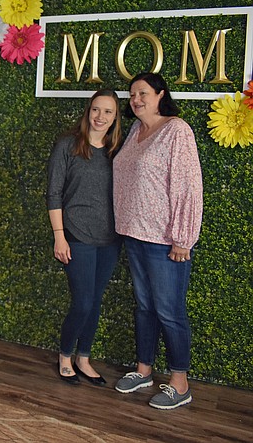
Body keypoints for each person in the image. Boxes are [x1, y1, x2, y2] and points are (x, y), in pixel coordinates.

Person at [112, 72, 202, 410]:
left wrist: (183, 238)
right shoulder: (136, 130)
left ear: (160, 94)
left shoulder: (177, 130)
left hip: (165, 241)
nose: (136, 99)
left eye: (143, 93)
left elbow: (188, 186)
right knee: (145, 308)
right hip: (134, 235)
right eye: (133, 94)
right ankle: (144, 371)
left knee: (169, 311)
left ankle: (180, 383)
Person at [47, 88, 123, 386]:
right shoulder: (68, 145)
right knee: (83, 303)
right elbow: (53, 193)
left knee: (95, 301)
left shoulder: (118, 151)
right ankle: (65, 356)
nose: (100, 116)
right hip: (76, 234)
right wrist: (59, 236)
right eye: (96, 109)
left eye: (107, 112)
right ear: (87, 111)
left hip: (110, 239)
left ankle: (84, 358)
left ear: (116, 118)